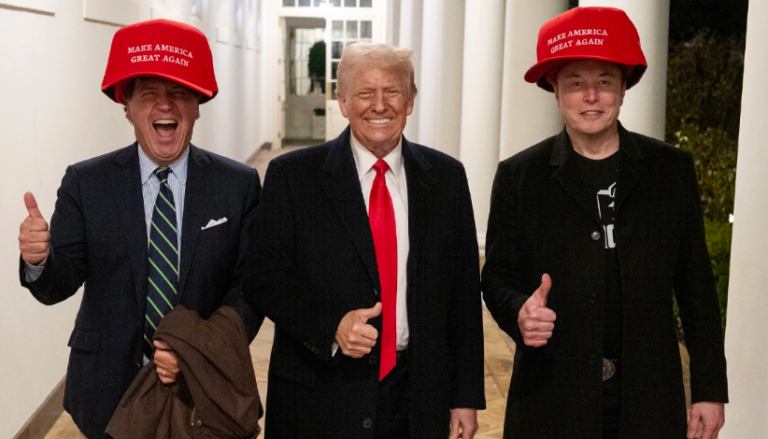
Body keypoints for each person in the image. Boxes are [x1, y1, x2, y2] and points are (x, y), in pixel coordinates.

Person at [481, 7, 728, 439]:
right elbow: (497, 276)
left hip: (648, 398)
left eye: (605, 82)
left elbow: (697, 288)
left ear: (623, 89)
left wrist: (709, 390)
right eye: (576, 83)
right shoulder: (520, 176)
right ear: (556, 91)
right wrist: (518, 310)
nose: (591, 96)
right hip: (551, 397)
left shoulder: (669, 171)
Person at [17, 19, 262, 439]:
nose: (165, 106)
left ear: (198, 105)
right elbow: (60, 282)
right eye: (148, 93)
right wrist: (39, 260)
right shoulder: (87, 183)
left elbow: (250, 288)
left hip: (200, 392)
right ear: (126, 106)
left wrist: (197, 350)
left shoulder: (237, 186)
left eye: (179, 93)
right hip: (106, 392)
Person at [245, 41, 485, 439]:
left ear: (410, 100)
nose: (379, 105)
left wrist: (465, 396)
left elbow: (463, 295)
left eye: (392, 91)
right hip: (320, 395)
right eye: (364, 93)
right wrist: (332, 326)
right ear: (342, 102)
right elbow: (263, 277)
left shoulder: (447, 179)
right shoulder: (293, 177)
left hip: (418, 396)